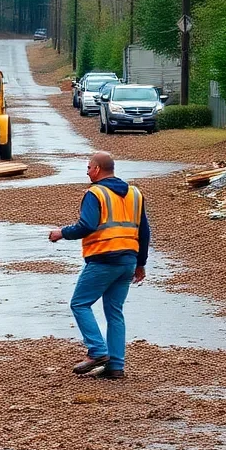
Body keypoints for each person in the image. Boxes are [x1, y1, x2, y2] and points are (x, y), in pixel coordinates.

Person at [49, 151, 150, 379]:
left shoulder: (95, 193)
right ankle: (116, 367)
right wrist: (140, 263)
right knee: (115, 312)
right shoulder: (135, 193)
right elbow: (144, 231)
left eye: (88, 167)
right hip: (127, 261)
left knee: (80, 304)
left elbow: (87, 225)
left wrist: (61, 233)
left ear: (96, 169)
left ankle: (97, 351)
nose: (86, 172)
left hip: (104, 259)